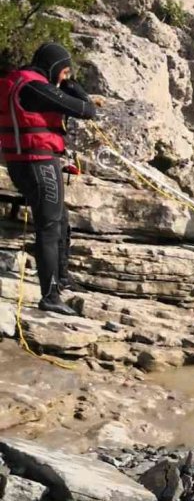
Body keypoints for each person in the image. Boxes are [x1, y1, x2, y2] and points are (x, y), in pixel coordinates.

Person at [0, 42, 98, 316]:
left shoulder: (17, 81)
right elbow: (87, 110)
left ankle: (62, 279)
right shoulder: (36, 88)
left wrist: (63, 84)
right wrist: (72, 85)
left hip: (23, 164)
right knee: (49, 226)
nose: (65, 77)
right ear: (55, 68)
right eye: (64, 71)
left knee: (59, 220)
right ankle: (50, 295)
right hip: (39, 164)